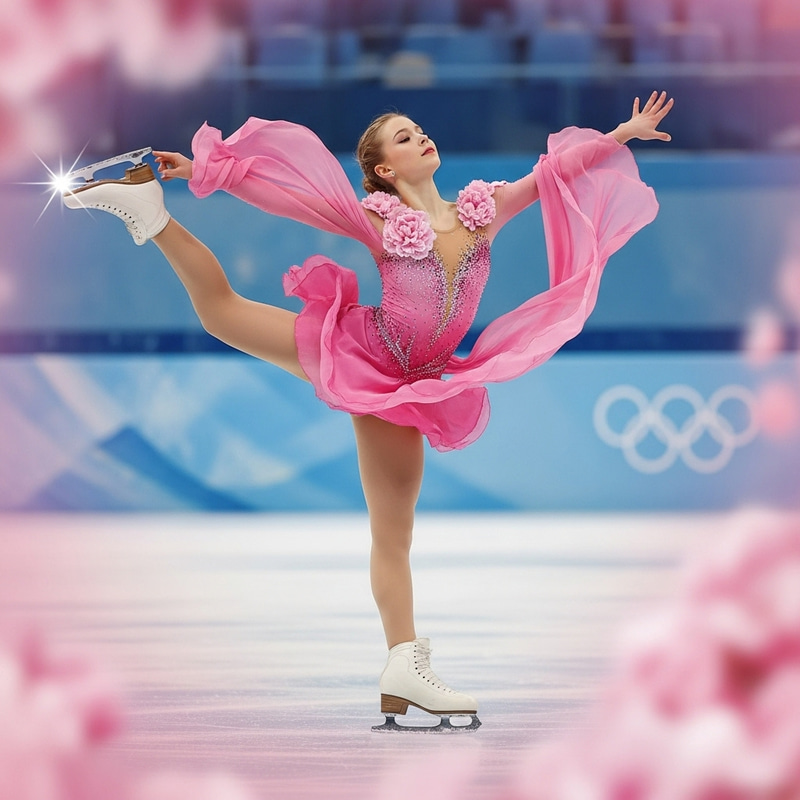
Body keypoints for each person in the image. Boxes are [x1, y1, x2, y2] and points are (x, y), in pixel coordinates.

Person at [62, 90, 673, 732]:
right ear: (384, 170)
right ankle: (149, 212)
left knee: (395, 533)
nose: (421, 139)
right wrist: (202, 169)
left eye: (420, 131)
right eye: (404, 139)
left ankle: (402, 670)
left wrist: (622, 133)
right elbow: (291, 195)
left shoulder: (482, 210)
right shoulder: (377, 220)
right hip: (365, 357)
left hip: (421, 379)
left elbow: (555, 173)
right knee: (222, 313)